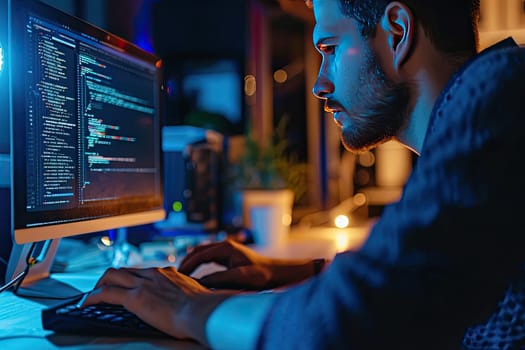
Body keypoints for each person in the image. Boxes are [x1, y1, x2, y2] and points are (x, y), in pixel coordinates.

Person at [83, 0, 525, 348]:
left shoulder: (498, 92)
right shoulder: (481, 122)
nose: (319, 84)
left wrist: (187, 309)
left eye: (330, 50)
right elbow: (427, 275)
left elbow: (358, 320)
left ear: (397, 32)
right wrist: (283, 272)